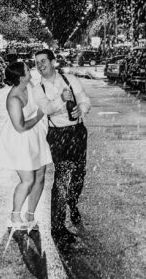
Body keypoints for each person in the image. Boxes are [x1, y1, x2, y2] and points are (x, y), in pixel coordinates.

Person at [32, 49, 91, 248]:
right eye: (37, 62)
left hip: (78, 132)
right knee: (62, 178)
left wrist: (80, 108)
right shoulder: (37, 88)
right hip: (58, 135)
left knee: (79, 174)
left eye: (43, 61)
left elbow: (85, 101)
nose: (40, 65)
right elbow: (47, 109)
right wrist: (62, 99)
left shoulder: (71, 79)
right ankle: (57, 228)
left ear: (53, 61)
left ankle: (72, 202)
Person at [0, 60, 52, 243]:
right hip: (20, 139)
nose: (30, 70)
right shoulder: (14, 98)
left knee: (40, 175)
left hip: (35, 136)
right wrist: (40, 115)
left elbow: (43, 96)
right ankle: (14, 217)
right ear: (20, 76)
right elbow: (20, 127)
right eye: (27, 69)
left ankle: (30, 215)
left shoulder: (30, 85)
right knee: (28, 180)